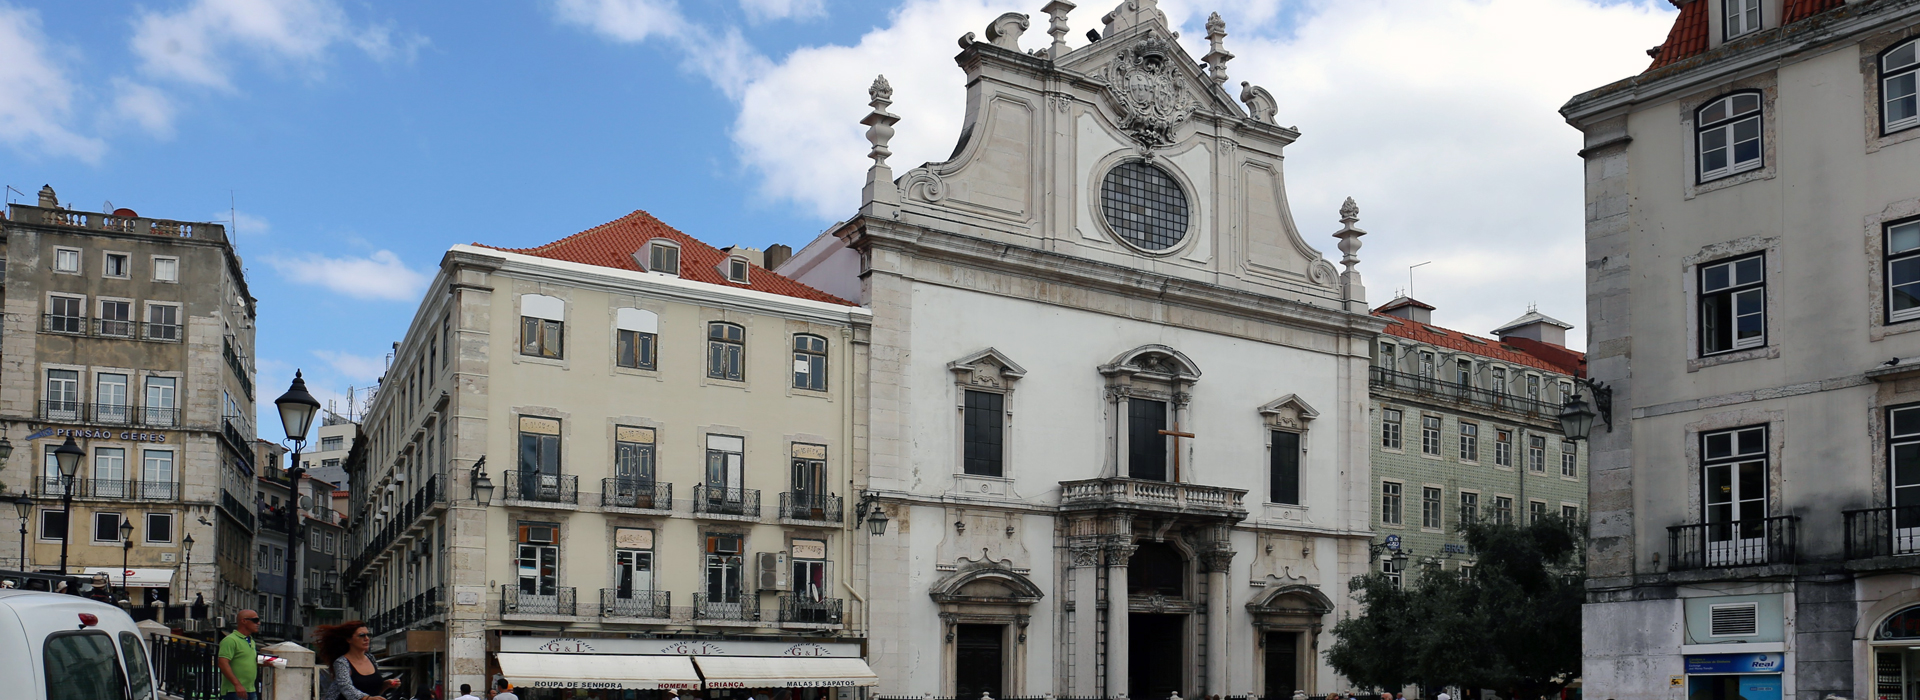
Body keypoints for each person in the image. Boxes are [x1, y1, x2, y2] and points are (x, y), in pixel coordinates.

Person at [316, 620, 402, 700]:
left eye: (368, 635)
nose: (367, 638)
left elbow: (374, 692)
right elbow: (346, 688)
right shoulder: (341, 662)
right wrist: (367, 698)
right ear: (349, 639)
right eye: (362, 635)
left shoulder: (371, 658)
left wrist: (385, 685)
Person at [216, 609, 261, 700]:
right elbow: (222, 663)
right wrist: (237, 684)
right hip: (234, 691)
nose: (258, 623)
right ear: (243, 621)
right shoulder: (230, 640)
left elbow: (245, 661)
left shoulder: (251, 641)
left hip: (250, 689)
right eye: (255, 620)